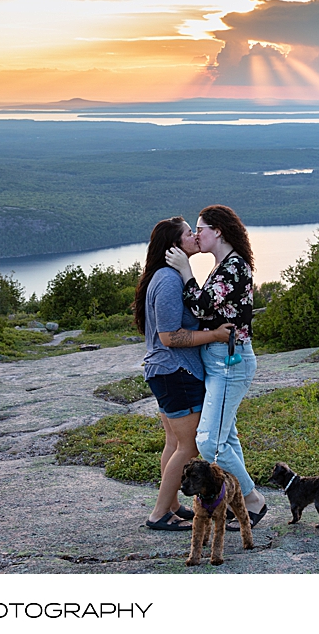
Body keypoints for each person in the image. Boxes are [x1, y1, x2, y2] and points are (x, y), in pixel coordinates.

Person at [164, 204, 267, 529]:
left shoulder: (233, 266)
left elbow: (202, 305)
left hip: (229, 363)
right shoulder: (224, 264)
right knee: (227, 437)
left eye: (201, 229)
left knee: (209, 442)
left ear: (217, 230)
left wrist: (184, 271)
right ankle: (247, 502)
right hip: (218, 360)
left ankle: (251, 500)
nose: (196, 235)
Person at [134, 217, 233, 531]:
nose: (195, 235)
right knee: (189, 447)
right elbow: (169, 336)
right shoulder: (168, 280)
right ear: (175, 244)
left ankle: (172, 506)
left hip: (167, 372)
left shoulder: (169, 276)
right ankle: (160, 514)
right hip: (176, 372)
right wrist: (216, 335)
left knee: (174, 443)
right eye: (190, 233)